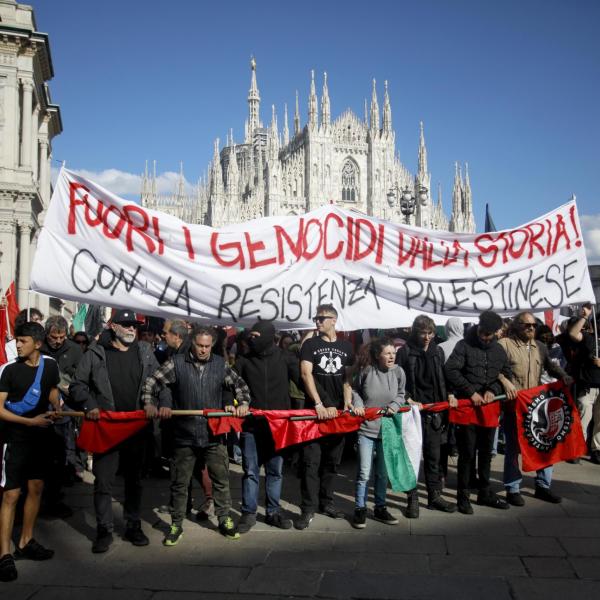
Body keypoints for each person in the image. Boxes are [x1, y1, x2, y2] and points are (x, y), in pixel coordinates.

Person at [142, 325, 251, 546]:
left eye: (207, 346)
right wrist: (149, 403)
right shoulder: (177, 363)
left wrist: (243, 403)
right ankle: (176, 524)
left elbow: (240, 386)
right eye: (200, 346)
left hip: (213, 434)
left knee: (221, 480)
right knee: (180, 483)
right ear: (192, 343)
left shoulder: (220, 364)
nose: (203, 350)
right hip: (184, 434)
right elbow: (152, 382)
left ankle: (224, 520)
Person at [70, 309, 165, 553]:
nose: (132, 329)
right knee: (103, 480)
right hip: (107, 428)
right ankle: (104, 529)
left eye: (134, 325)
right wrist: (89, 404)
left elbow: (161, 382)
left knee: (134, 480)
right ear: (113, 326)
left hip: (136, 428)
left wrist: (158, 403)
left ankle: (133, 525)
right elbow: (77, 385)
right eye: (126, 325)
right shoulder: (95, 352)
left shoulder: (145, 352)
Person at [0, 322, 60, 582]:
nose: (17, 344)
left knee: (35, 488)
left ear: (37, 343)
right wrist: (29, 422)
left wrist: (56, 405)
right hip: (14, 439)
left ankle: (26, 540)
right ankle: (4, 555)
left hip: (41, 439)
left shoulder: (51, 366)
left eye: (22, 340)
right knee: (11, 495)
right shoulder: (10, 371)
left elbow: (52, 390)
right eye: (17, 340)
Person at [498, 312, 572, 505]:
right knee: (513, 449)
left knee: (544, 444)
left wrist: (563, 375)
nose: (531, 328)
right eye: (527, 325)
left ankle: (543, 486)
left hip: (537, 407)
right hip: (514, 407)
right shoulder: (504, 345)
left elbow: (550, 366)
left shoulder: (539, 346)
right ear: (516, 326)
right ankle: (513, 489)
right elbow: (494, 369)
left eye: (534, 325)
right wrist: (505, 381)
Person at [234, 321, 299, 533]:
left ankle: (273, 512)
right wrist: (231, 402)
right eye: (250, 336)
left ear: (268, 336)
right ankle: (248, 513)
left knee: (275, 472)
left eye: (256, 335)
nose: (252, 340)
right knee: (251, 471)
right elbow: (229, 384)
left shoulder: (286, 358)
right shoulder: (244, 360)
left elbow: (305, 380)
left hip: (277, 427)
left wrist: (322, 402)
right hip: (251, 427)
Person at [445, 310, 512, 514]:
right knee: (466, 454)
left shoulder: (499, 351)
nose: (484, 337)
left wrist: (494, 390)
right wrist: (470, 391)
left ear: (495, 333)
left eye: (489, 334)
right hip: (468, 407)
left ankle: (484, 492)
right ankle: (463, 496)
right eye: (483, 332)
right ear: (478, 327)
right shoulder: (463, 346)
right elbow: (451, 370)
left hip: (489, 408)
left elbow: (506, 374)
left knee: (486, 454)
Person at [296, 304, 355, 530]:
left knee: (332, 462)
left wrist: (347, 401)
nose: (318, 321)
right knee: (311, 462)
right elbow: (305, 373)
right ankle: (308, 508)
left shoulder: (346, 346)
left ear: (334, 320)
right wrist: (319, 403)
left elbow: (347, 378)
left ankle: (326, 502)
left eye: (322, 318)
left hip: (337, 414)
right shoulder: (310, 344)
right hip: (314, 414)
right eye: (316, 318)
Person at [396, 315, 458, 517]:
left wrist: (449, 394)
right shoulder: (405, 352)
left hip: (434, 411)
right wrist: (407, 398)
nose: (427, 337)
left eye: (430, 333)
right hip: (413, 411)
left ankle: (434, 496)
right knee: (412, 457)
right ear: (416, 332)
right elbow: (398, 379)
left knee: (433, 457)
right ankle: (412, 498)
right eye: (423, 332)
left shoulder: (437, 351)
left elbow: (444, 376)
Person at [351, 337, 405, 528]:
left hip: (388, 429)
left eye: (394, 353)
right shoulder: (367, 371)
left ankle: (380, 507)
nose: (392, 356)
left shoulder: (399, 372)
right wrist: (357, 404)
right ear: (378, 355)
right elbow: (355, 390)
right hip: (367, 428)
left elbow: (401, 393)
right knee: (364, 472)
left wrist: (395, 405)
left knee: (383, 473)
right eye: (388, 353)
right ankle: (360, 508)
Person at [40, 316, 84, 511]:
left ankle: (55, 494)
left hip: (64, 409)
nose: (58, 341)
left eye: (61, 337)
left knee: (61, 450)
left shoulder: (75, 350)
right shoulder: (38, 346)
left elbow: (80, 378)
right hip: (39, 407)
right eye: (53, 337)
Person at [568, 304, 600, 464]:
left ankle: (596, 450)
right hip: (588, 387)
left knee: (599, 422)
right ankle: (576, 450)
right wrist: (584, 316)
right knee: (583, 419)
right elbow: (573, 333)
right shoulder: (588, 338)